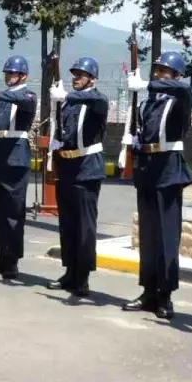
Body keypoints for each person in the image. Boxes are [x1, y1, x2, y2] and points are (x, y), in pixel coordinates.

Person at [122, 51, 192, 319]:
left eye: (164, 71)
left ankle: (166, 294)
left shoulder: (180, 99)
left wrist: (147, 85)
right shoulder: (148, 105)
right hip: (148, 169)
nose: (158, 75)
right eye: (156, 71)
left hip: (169, 170)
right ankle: (149, 290)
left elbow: (182, 89)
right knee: (149, 236)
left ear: (175, 75)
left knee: (166, 236)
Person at [47, 57, 109, 297]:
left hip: (87, 167)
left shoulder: (96, 100)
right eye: (74, 74)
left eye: (80, 75)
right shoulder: (70, 103)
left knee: (84, 226)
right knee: (69, 224)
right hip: (68, 166)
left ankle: (82, 276)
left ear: (92, 78)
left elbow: (98, 100)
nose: (75, 78)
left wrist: (66, 96)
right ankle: (70, 271)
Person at [0, 55, 37, 281]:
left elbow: (24, 100)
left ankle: (12, 260)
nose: (9, 77)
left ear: (23, 76)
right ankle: (2, 254)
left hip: (15, 155)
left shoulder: (26, 94)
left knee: (13, 211)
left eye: (12, 73)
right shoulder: (2, 99)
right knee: (1, 211)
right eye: (7, 73)